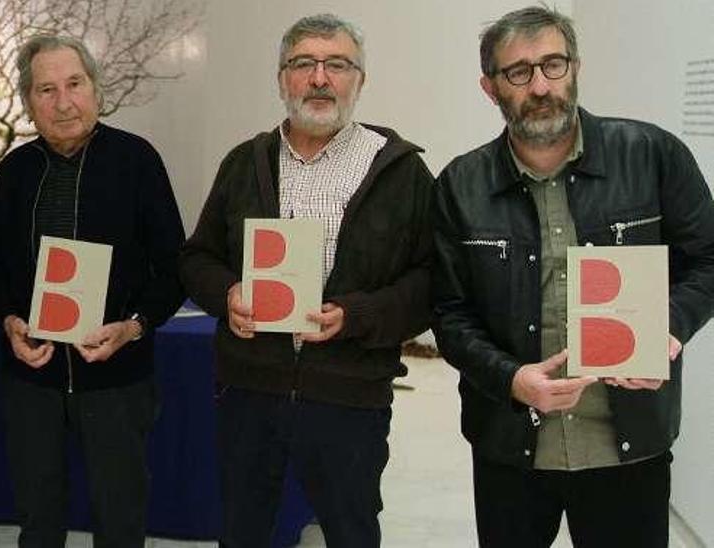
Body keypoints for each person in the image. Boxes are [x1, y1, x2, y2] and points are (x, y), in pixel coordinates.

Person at [432, 6, 714, 547]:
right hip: (511, 447)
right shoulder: (459, 185)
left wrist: (668, 331)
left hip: (629, 445)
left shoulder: (651, 156)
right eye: (518, 72)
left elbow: (707, 259)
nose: (540, 85)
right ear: (490, 88)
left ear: (576, 68)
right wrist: (512, 380)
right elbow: (449, 313)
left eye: (553, 64)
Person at [178, 14, 435, 548]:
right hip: (250, 391)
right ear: (282, 79)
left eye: (336, 64)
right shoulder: (244, 163)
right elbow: (198, 258)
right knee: (242, 531)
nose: (320, 78)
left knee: (351, 532)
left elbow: (431, 285)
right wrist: (227, 295)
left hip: (351, 398)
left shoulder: (401, 173)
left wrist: (357, 316)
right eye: (303, 64)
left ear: (359, 79)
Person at [0, 34, 186, 547]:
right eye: (46, 90)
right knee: (38, 522)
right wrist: (8, 322)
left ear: (96, 89)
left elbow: (176, 268)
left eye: (74, 84)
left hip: (117, 380)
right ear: (29, 102)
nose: (63, 102)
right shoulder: (14, 171)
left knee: (121, 522)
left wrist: (134, 327)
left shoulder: (137, 161)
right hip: (32, 382)